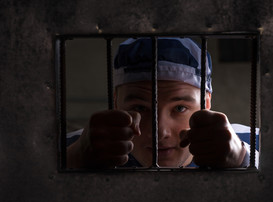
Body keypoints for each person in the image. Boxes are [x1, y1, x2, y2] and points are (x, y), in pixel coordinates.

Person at [66, 37, 259, 169]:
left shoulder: (255, 142)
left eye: (180, 108)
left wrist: (244, 159)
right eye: (140, 108)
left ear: (206, 103)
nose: (160, 132)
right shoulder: (76, 147)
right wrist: (72, 158)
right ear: (116, 103)